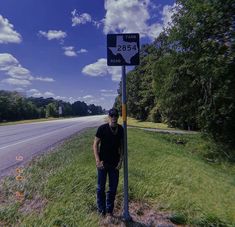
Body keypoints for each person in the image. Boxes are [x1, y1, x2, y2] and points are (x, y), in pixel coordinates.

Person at [93, 108, 124, 217]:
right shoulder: (102, 128)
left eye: (116, 116)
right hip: (102, 163)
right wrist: (97, 160)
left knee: (113, 188)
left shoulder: (120, 129)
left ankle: (109, 210)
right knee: (100, 188)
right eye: (112, 116)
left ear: (118, 117)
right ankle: (101, 210)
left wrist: (121, 160)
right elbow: (95, 144)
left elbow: (122, 146)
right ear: (109, 117)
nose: (114, 118)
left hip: (115, 164)